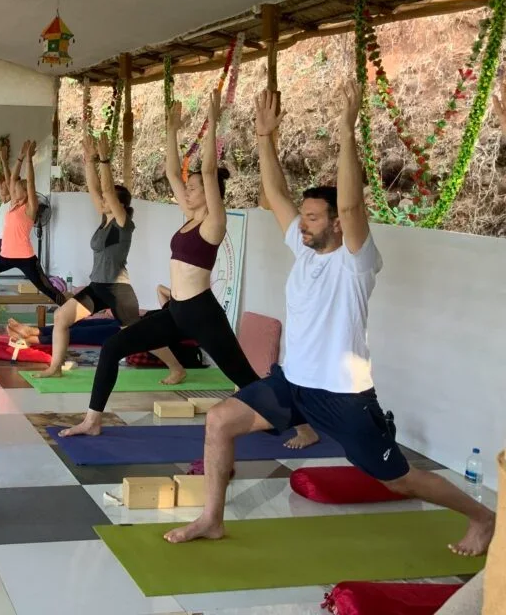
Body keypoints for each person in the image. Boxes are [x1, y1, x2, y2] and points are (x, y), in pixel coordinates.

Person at [164, 83, 496, 557]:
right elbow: (276, 192)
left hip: (343, 395)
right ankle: (212, 519)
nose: (303, 224)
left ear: (337, 223)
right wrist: (264, 138)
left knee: (398, 479)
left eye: (314, 218)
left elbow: (352, 205)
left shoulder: (356, 261)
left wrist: (346, 131)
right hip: (292, 383)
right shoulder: (303, 250)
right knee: (219, 421)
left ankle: (483, 517)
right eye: (303, 216)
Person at [60, 91, 312, 440]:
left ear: (210, 192)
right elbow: (171, 172)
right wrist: (171, 131)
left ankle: (303, 425)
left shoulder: (214, 222)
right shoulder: (190, 217)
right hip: (176, 311)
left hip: (202, 313)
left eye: (195, 188)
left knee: (243, 377)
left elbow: (207, 170)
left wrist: (213, 122)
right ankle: (92, 420)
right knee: (114, 347)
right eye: (188, 187)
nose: (188, 191)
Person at [29, 132, 188, 382]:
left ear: (120, 205)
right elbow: (95, 189)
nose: (101, 201)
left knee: (138, 334)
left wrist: (104, 161)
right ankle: (55, 366)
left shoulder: (123, 224)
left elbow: (106, 191)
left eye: (108, 200)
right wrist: (90, 161)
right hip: (97, 288)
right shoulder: (104, 220)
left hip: (118, 290)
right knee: (61, 318)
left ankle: (177, 368)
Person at [7, 284, 203, 369]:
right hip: (129, 320)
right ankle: (33, 330)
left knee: (81, 334)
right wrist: (179, 296)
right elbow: (160, 289)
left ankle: (32, 338)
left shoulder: (183, 319)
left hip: (132, 331)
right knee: (81, 323)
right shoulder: (174, 307)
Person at [0, 140, 67, 305]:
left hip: (24, 257)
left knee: (47, 288)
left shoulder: (30, 208)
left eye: (17, 189)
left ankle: (72, 310)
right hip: (4, 254)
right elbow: (11, 180)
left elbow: (30, 183)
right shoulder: (12, 205)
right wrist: (20, 157)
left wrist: (29, 160)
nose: (13, 190)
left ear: (25, 193)